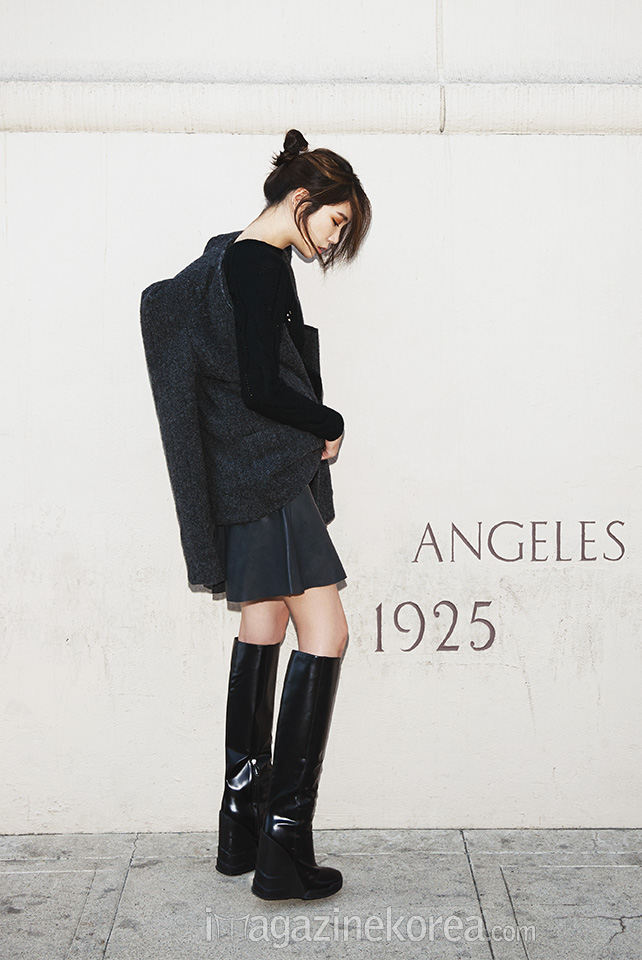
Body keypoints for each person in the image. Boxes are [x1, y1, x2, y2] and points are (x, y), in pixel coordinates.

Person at [140, 129, 371, 901]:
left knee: (262, 628)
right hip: (269, 482)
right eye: (335, 222)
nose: (332, 241)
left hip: (242, 481)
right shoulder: (260, 263)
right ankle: (285, 850)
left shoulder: (227, 260)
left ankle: (241, 827)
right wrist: (329, 421)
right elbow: (262, 388)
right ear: (303, 200)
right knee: (327, 635)